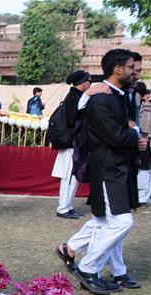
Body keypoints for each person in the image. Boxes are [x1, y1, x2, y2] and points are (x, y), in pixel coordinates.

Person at [61, 49, 144, 295]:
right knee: (120, 222)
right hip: (107, 167)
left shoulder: (118, 95)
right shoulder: (101, 98)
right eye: (132, 68)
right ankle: (88, 268)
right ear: (118, 69)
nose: (135, 72)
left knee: (105, 221)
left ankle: (107, 267)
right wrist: (135, 133)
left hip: (117, 166)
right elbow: (115, 135)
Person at [52, 70, 91, 220]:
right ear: (82, 82)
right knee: (68, 177)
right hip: (70, 144)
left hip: (75, 145)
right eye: (88, 81)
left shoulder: (77, 96)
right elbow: (71, 120)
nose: (90, 83)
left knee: (73, 176)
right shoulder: (73, 98)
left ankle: (68, 206)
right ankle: (63, 208)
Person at [135, 82, 151, 204]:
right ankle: (142, 196)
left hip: (138, 142)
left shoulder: (140, 107)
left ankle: (140, 196)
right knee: (145, 168)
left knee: (142, 168)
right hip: (146, 143)